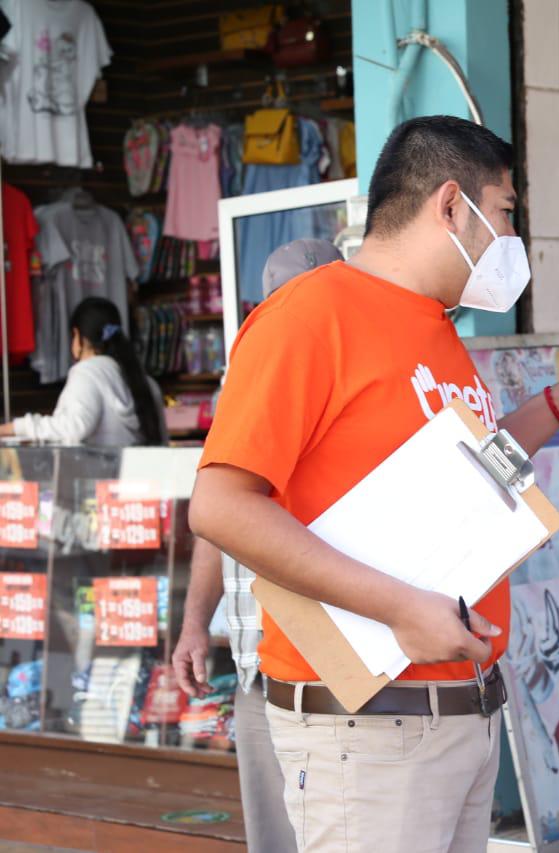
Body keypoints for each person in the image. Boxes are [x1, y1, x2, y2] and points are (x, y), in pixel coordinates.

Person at [187, 115, 559, 853]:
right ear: (449, 206)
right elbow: (218, 504)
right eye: (504, 213)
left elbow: (476, 472)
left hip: (460, 713)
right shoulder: (309, 317)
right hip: (369, 724)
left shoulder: (437, 331)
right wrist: (402, 609)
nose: (510, 240)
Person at [171, 238, 343, 853]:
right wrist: (196, 624)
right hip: (255, 667)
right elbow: (220, 516)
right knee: (274, 840)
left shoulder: (355, 379)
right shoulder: (246, 378)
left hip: (338, 669)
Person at [0, 296, 165, 446]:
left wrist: (17, 427)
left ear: (78, 336)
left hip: (102, 476)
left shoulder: (87, 373)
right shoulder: (148, 383)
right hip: (143, 477)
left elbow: (73, 427)